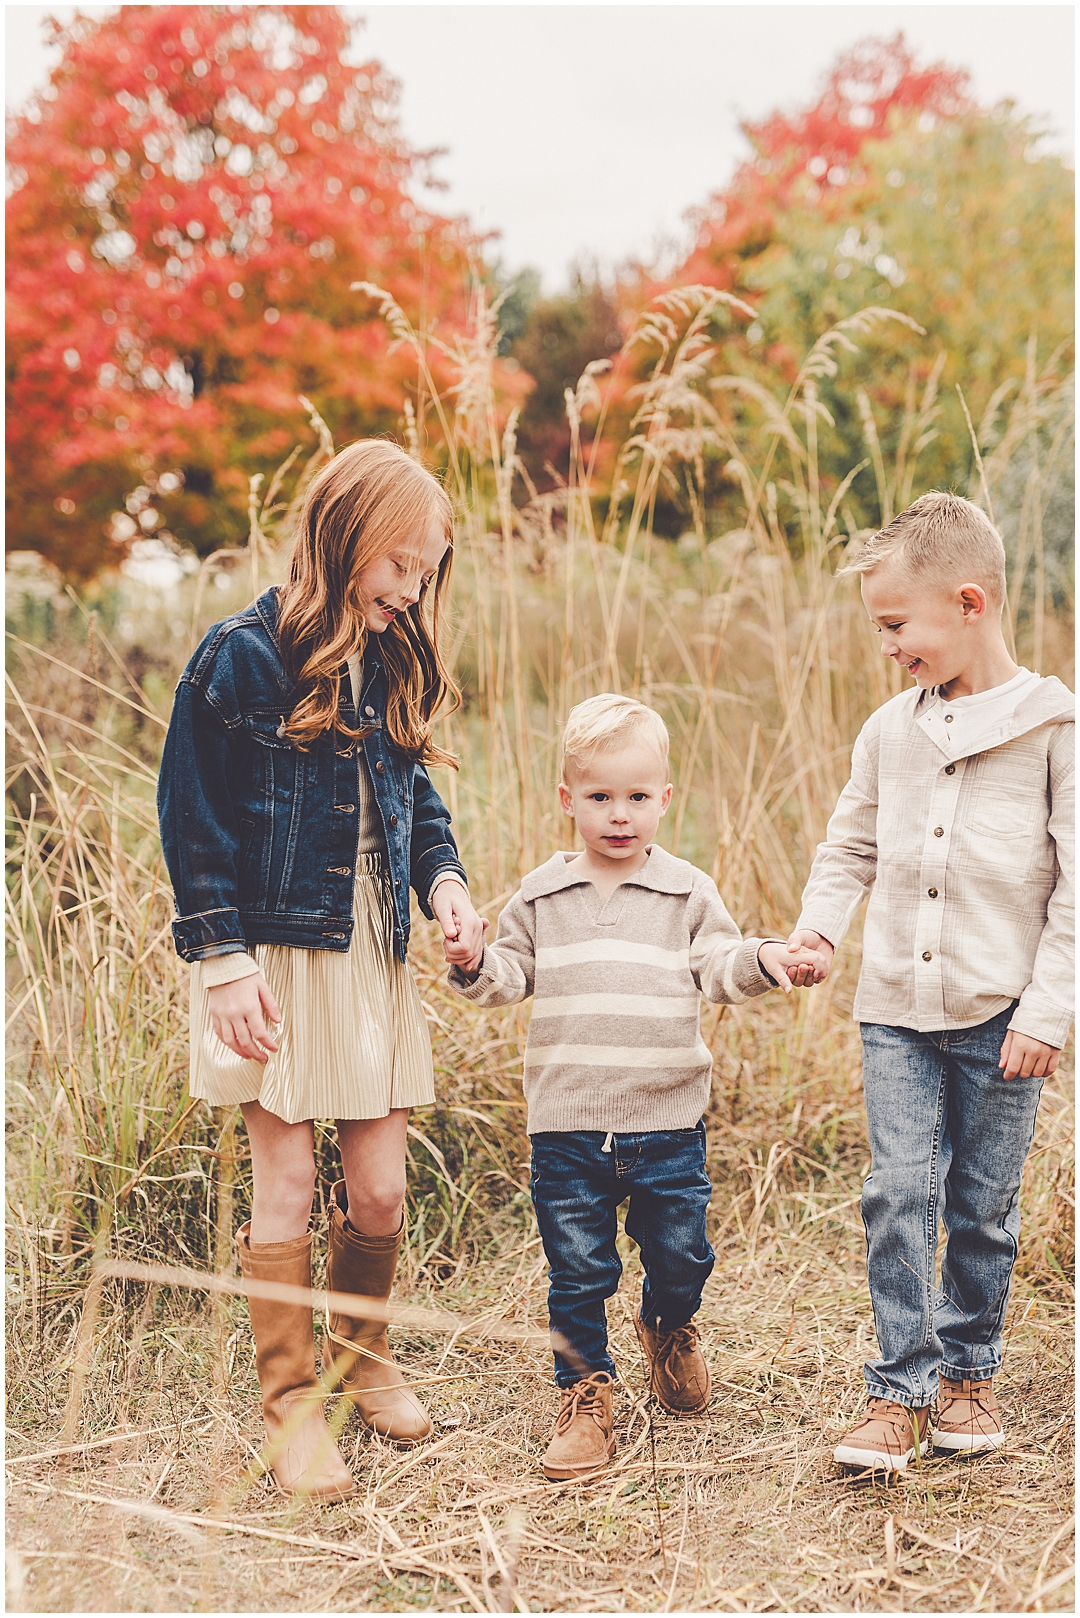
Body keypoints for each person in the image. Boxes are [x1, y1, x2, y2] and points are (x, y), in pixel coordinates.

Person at [158, 440, 485, 1499]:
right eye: (399, 563)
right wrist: (222, 961)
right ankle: (292, 1405)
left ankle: (363, 1360)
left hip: (374, 948)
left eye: (426, 570)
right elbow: (190, 819)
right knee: (289, 1178)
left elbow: (417, 804)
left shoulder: (391, 661)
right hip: (270, 959)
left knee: (382, 1188)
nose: (411, 587)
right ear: (342, 538)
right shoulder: (239, 658)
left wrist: (444, 886)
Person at [448, 694, 824, 1480]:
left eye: (637, 797)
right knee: (578, 1271)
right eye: (600, 797)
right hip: (568, 1127)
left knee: (682, 1253)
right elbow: (507, 978)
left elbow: (719, 966)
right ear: (568, 800)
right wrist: (473, 961)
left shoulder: (686, 890)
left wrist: (766, 959)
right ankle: (586, 1393)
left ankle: (669, 1322)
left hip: (667, 1123)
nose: (620, 815)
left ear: (665, 798)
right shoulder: (541, 894)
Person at [784, 491, 1073, 1475]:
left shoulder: (1053, 730)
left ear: (969, 603)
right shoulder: (887, 732)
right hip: (895, 1015)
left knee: (981, 1208)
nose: (888, 646)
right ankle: (896, 1390)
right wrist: (819, 929)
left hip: (1004, 1019)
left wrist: (1047, 1013)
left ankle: (967, 1377)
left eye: (897, 625)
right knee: (895, 1193)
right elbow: (850, 841)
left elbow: (1076, 890)